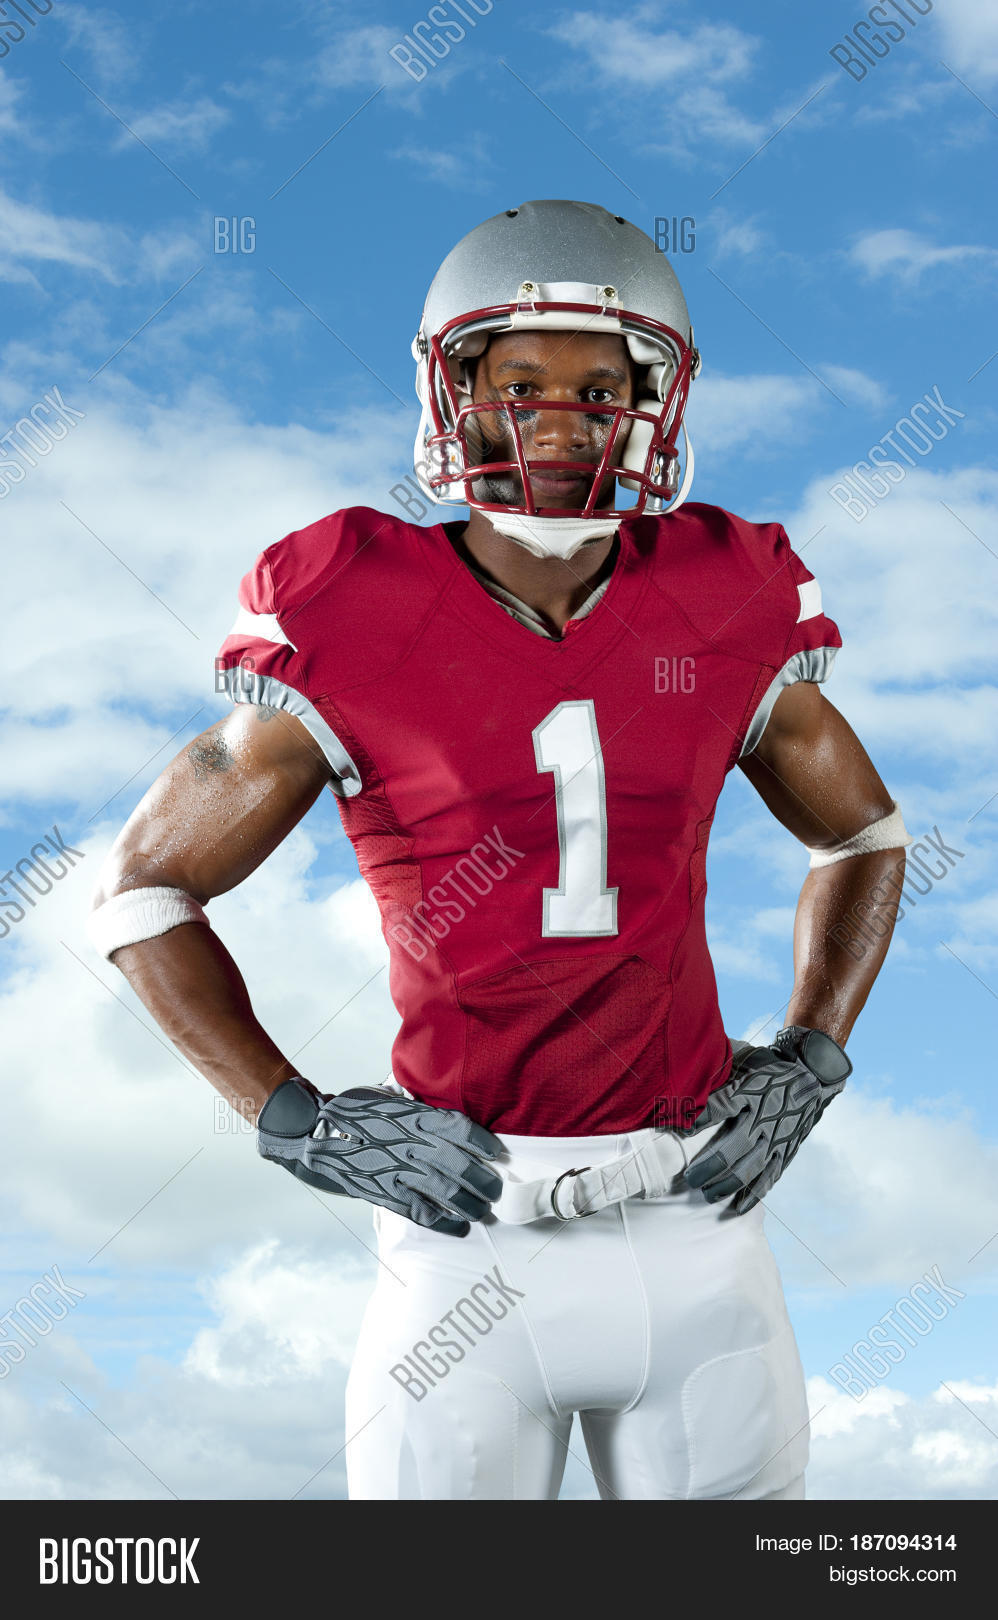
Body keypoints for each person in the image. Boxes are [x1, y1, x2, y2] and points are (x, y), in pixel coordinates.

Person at [88, 200, 909, 1501]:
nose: (558, 420)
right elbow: (143, 890)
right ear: (454, 392)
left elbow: (861, 834)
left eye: (597, 389)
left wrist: (810, 1053)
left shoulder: (722, 589)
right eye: (519, 383)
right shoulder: (350, 600)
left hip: (699, 1213)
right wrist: (291, 1118)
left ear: (651, 406)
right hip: (460, 1225)